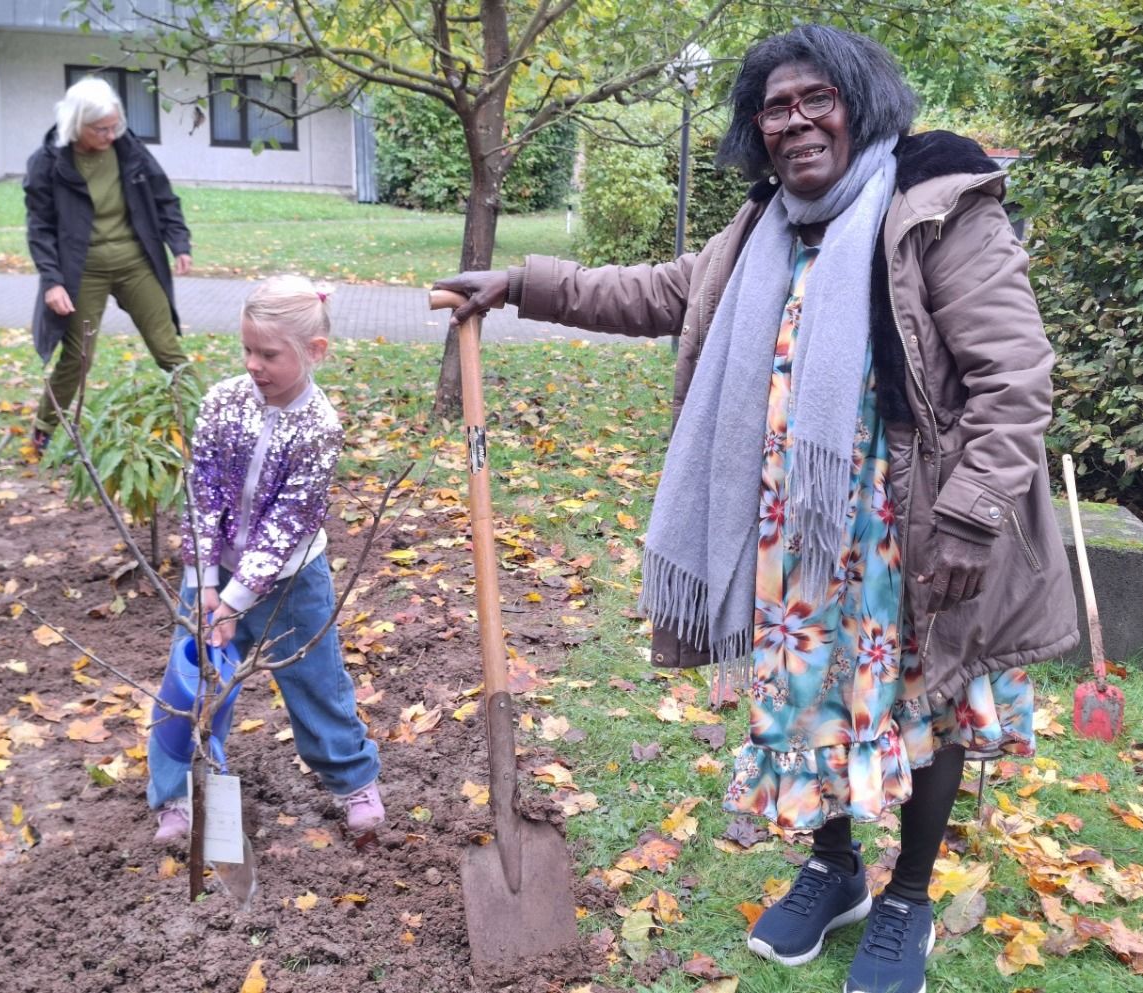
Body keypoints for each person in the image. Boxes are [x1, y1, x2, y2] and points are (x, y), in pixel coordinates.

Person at [437, 24, 1077, 993]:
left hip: (914, 528)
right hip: (797, 533)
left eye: (817, 99)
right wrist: (521, 284)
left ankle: (906, 895)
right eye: (775, 108)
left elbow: (1014, 377)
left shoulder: (936, 210)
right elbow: (659, 292)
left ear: (860, 106)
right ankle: (835, 865)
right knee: (806, 692)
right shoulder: (762, 227)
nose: (795, 121)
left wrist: (968, 516)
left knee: (929, 700)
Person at [147, 275, 384, 843]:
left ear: (314, 351)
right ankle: (177, 793)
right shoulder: (223, 402)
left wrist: (235, 601)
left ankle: (352, 780)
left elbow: (286, 526)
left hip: (291, 581)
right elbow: (203, 491)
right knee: (191, 682)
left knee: (315, 681)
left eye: (270, 354)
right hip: (212, 572)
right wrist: (205, 579)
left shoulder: (320, 428)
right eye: (247, 349)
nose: (254, 364)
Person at [24, 76, 193, 454]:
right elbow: (40, 227)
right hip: (81, 271)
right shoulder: (48, 163)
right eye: (101, 129)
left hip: (136, 263)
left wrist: (179, 243)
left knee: (167, 349)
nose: (111, 134)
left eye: (115, 125)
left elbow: (165, 198)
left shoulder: (129, 149)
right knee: (78, 358)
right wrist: (52, 281)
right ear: (77, 124)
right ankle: (44, 431)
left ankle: (205, 423)